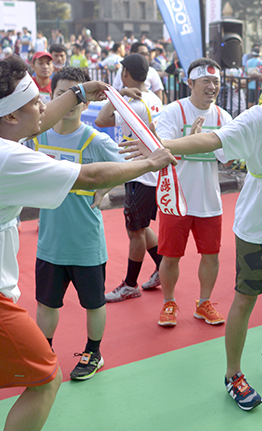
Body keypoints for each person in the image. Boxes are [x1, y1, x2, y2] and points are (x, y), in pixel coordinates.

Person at [0, 55, 175, 431]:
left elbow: (32, 124)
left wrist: (79, 92)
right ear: (13, 113)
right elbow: (91, 178)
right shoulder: (3, 158)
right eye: (37, 101)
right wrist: (149, 163)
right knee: (45, 381)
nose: (44, 109)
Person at [123, 43, 262, 411]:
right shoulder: (259, 117)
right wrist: (161, 145)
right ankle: (233, 375)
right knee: (245, 301)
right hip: (257, 224)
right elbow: (212, 139)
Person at [29, 67, 122, 381]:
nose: (68, 102)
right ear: (51, 97)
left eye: (76, 95)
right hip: (50, 243)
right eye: (61, 95)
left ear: (86, 103)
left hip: (85, 243)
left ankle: (93, 352)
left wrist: (106, 187)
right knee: (46, 303)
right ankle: (44, 352)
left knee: (93, 303)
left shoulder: (93, 139)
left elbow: (129, 165)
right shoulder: (37, 136)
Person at [153, 58, 232, 327]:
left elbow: (229, 159)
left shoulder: (224, 117)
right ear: (190, 83)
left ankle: (204, 303)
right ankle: (169, 302)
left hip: (210, 200)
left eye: (216, 82)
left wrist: (199, 143)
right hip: (176, 199)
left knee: (211, 255)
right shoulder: (173, 112)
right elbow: (162, 151)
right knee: (171, 256)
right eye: (205, 82)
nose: (212, 87)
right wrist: (194, 141)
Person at [96, 53, 164, 302]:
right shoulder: (154, 98)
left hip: (140, 174)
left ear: (125, 73)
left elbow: (102, 120)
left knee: (135, 231)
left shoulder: (132, 103)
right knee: (141, 227)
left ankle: (130, 284)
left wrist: (119, 94)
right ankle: (163, 268)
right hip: (148, 172)